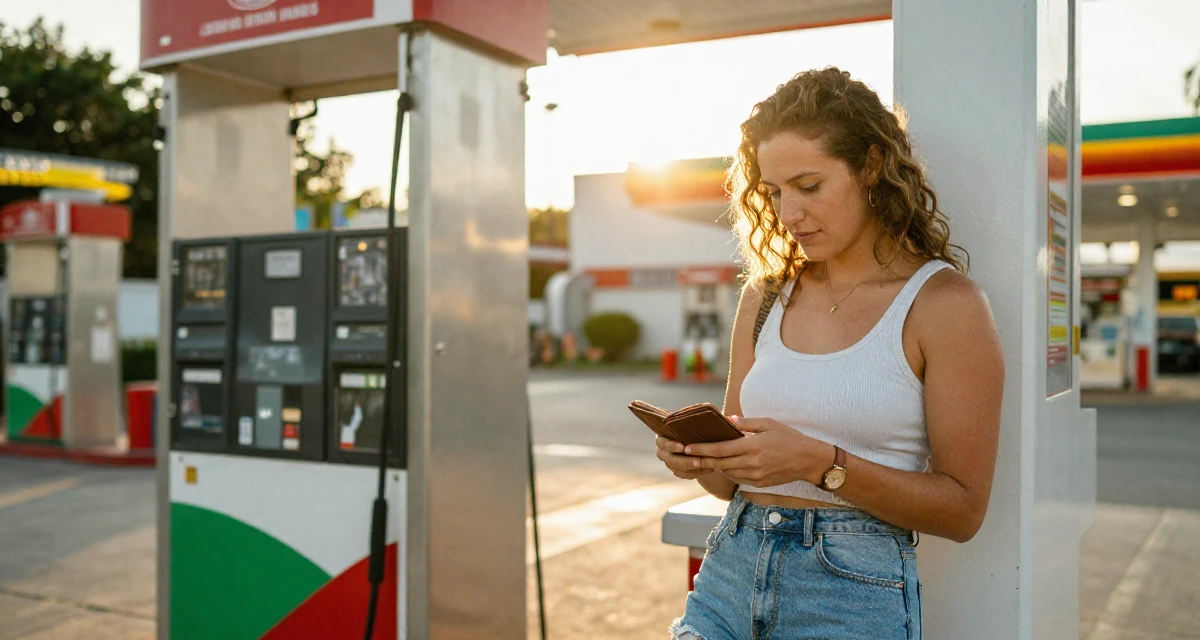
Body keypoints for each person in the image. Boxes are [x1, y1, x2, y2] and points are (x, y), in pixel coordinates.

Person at [657, 68, 1005, 640]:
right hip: (728, 576)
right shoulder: (766, 295)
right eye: (774, 192)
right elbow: (727, 484)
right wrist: (699, 458)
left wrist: (819, 463)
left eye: (809, 186)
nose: (788, 213)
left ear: (871, 166)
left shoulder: (944, 304)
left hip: (849, 594)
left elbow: (962, 510)